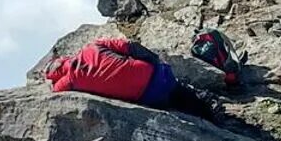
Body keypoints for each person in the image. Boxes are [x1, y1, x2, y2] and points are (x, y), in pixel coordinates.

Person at [44, 37, 214, 119]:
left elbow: (54, 91)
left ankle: (204, 115)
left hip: (147, 96)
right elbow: (130, 45)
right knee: (179, 90)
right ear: (63, 59)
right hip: (155, 73)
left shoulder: (71, 81)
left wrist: (50, 82)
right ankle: (208, 106)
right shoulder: (93, 47)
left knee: (174, 104)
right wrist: (154, 60)